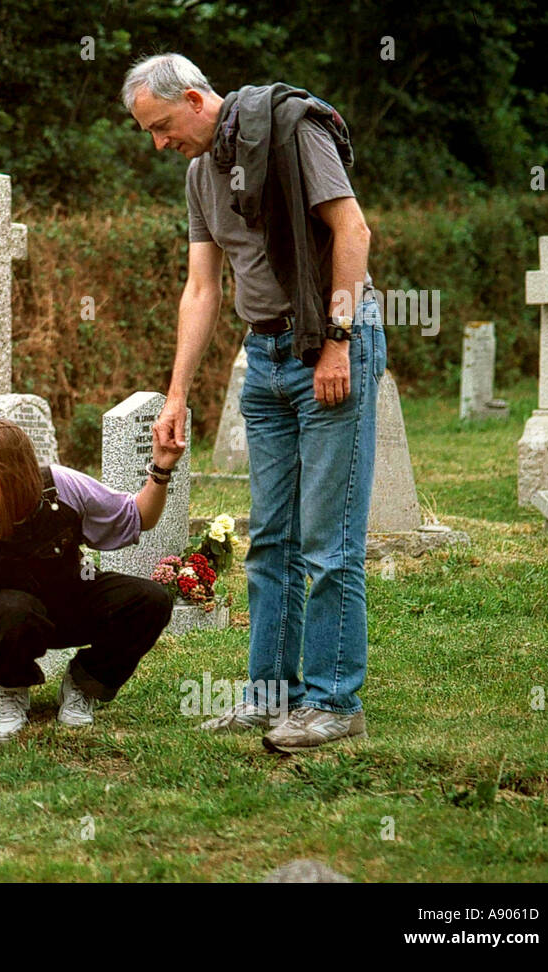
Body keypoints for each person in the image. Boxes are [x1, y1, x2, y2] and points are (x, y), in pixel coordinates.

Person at [123, 53, 385, 753]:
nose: (158, 142)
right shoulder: (199, 175)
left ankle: (335, 703)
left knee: (328, 546)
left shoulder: (295, 130)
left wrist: (336, 341)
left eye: (161, 125)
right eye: (147, 132)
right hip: (264, 361)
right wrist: (177, 396)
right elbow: (202, 290)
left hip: (327, 347)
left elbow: (352, 231)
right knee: (271, 542)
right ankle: (270, 697)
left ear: (198, 99)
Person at [0, 418, 183, 744]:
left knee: (151, 599)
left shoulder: (62, 486)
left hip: (67, 604)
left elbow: (138, 517)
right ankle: (12, 688)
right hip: (7, 622)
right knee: (12, 609)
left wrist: (161, 470)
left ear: (18, 474)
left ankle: (85, 683)